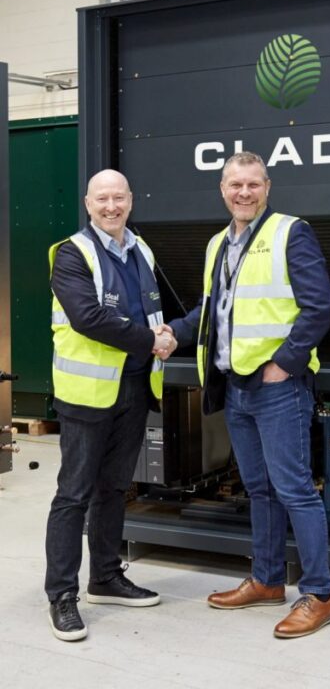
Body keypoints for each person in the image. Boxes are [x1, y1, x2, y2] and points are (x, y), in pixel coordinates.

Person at [167, 151, 330, 639]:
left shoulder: (290, 231)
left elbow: (319, 305)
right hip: (235, 387)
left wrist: (283, 364)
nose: (244, 193)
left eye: (253, 184)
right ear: (222, 190)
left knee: (295, 491)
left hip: (277, 389)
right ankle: (266, 580)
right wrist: (172, 335)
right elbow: (210, 309)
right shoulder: (218, 243)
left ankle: (320, 594)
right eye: (235, 185)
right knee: (259, 490)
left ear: (267, 187)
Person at [45, 169, 177, 642]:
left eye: (118, 198)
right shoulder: (71, 254)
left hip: (136, 387)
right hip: (87, 394)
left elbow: (151, 310)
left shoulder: (140, 248)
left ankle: (104, 577)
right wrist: (151, 341)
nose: (111, 206)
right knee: (73, 494)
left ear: (131, 201)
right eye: (102, 199)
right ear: (87, 203)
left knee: (115, 486)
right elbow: (89, 318)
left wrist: (165, 336)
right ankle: (61, 596)